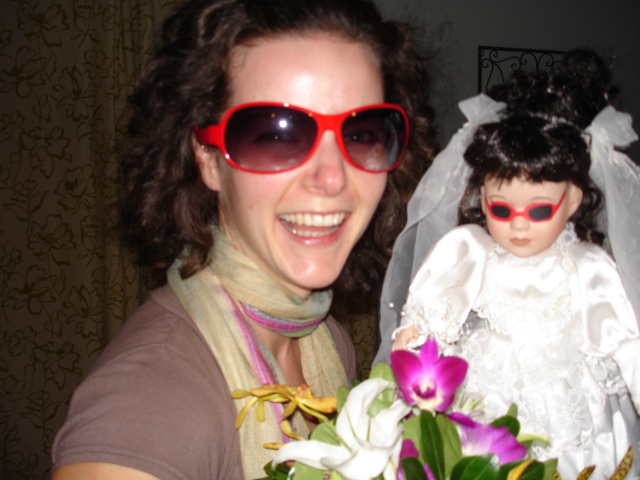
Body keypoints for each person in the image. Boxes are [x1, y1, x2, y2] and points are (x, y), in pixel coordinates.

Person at [50, 0, 437, 479]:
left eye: (362, 133)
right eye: (275, 134)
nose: (333, 178)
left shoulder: (326, 340)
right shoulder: (151, 402)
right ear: (208, 158)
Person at [381, 49, 640, 478]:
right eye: (502, 209)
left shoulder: (588, 267)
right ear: (482, 198)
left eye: (538, 210)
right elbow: (432, 318)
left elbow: (626, 345)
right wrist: (414, 337)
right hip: (489, 386)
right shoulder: (470, 250)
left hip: (568, 395)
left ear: (573, 200)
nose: (519, 226)